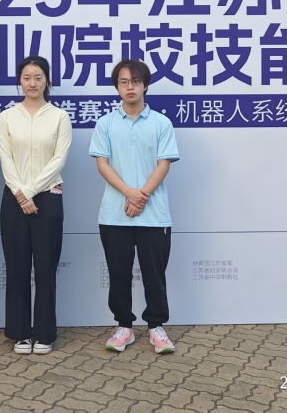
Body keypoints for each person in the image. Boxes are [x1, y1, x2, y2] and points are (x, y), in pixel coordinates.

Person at [89, 59, 179, 354]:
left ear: (145, 85)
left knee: (155, 274)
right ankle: (124, 327)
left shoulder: (161, 123)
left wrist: (142, 196)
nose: (130, 87)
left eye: (136, 81)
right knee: (119, 274)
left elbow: (163, 164)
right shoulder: (105, 123)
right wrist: (130, 193)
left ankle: (156, 327)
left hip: (154, 216)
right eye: (124, 82)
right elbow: (102, 164)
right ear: (117, 87)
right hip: (115, 215)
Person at [0, 55, 72, 355]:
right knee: (16, 267)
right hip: (14, 199)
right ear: (20, 81)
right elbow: (6, 159)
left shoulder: (59, 117)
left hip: (47, 198)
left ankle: (44, 333)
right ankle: (19, 333)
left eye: (38, 77)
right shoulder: (7, 117)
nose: (32, 83)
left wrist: (29, 191)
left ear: (47, 80)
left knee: (45, 267)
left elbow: (58, 160)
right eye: (26, 77)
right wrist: (20, 193)